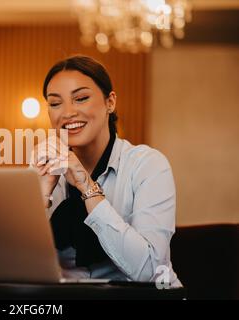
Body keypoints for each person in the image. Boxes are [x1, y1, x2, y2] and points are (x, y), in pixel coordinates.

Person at [30, 55, 181, 287]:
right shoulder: (40, 168)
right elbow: (12, 266)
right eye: (55, 103)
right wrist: (40, 196)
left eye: (80, 98)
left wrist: (86, 186)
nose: (67, 113)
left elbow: (149, 271)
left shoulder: (148, 165)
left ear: (110, 103)